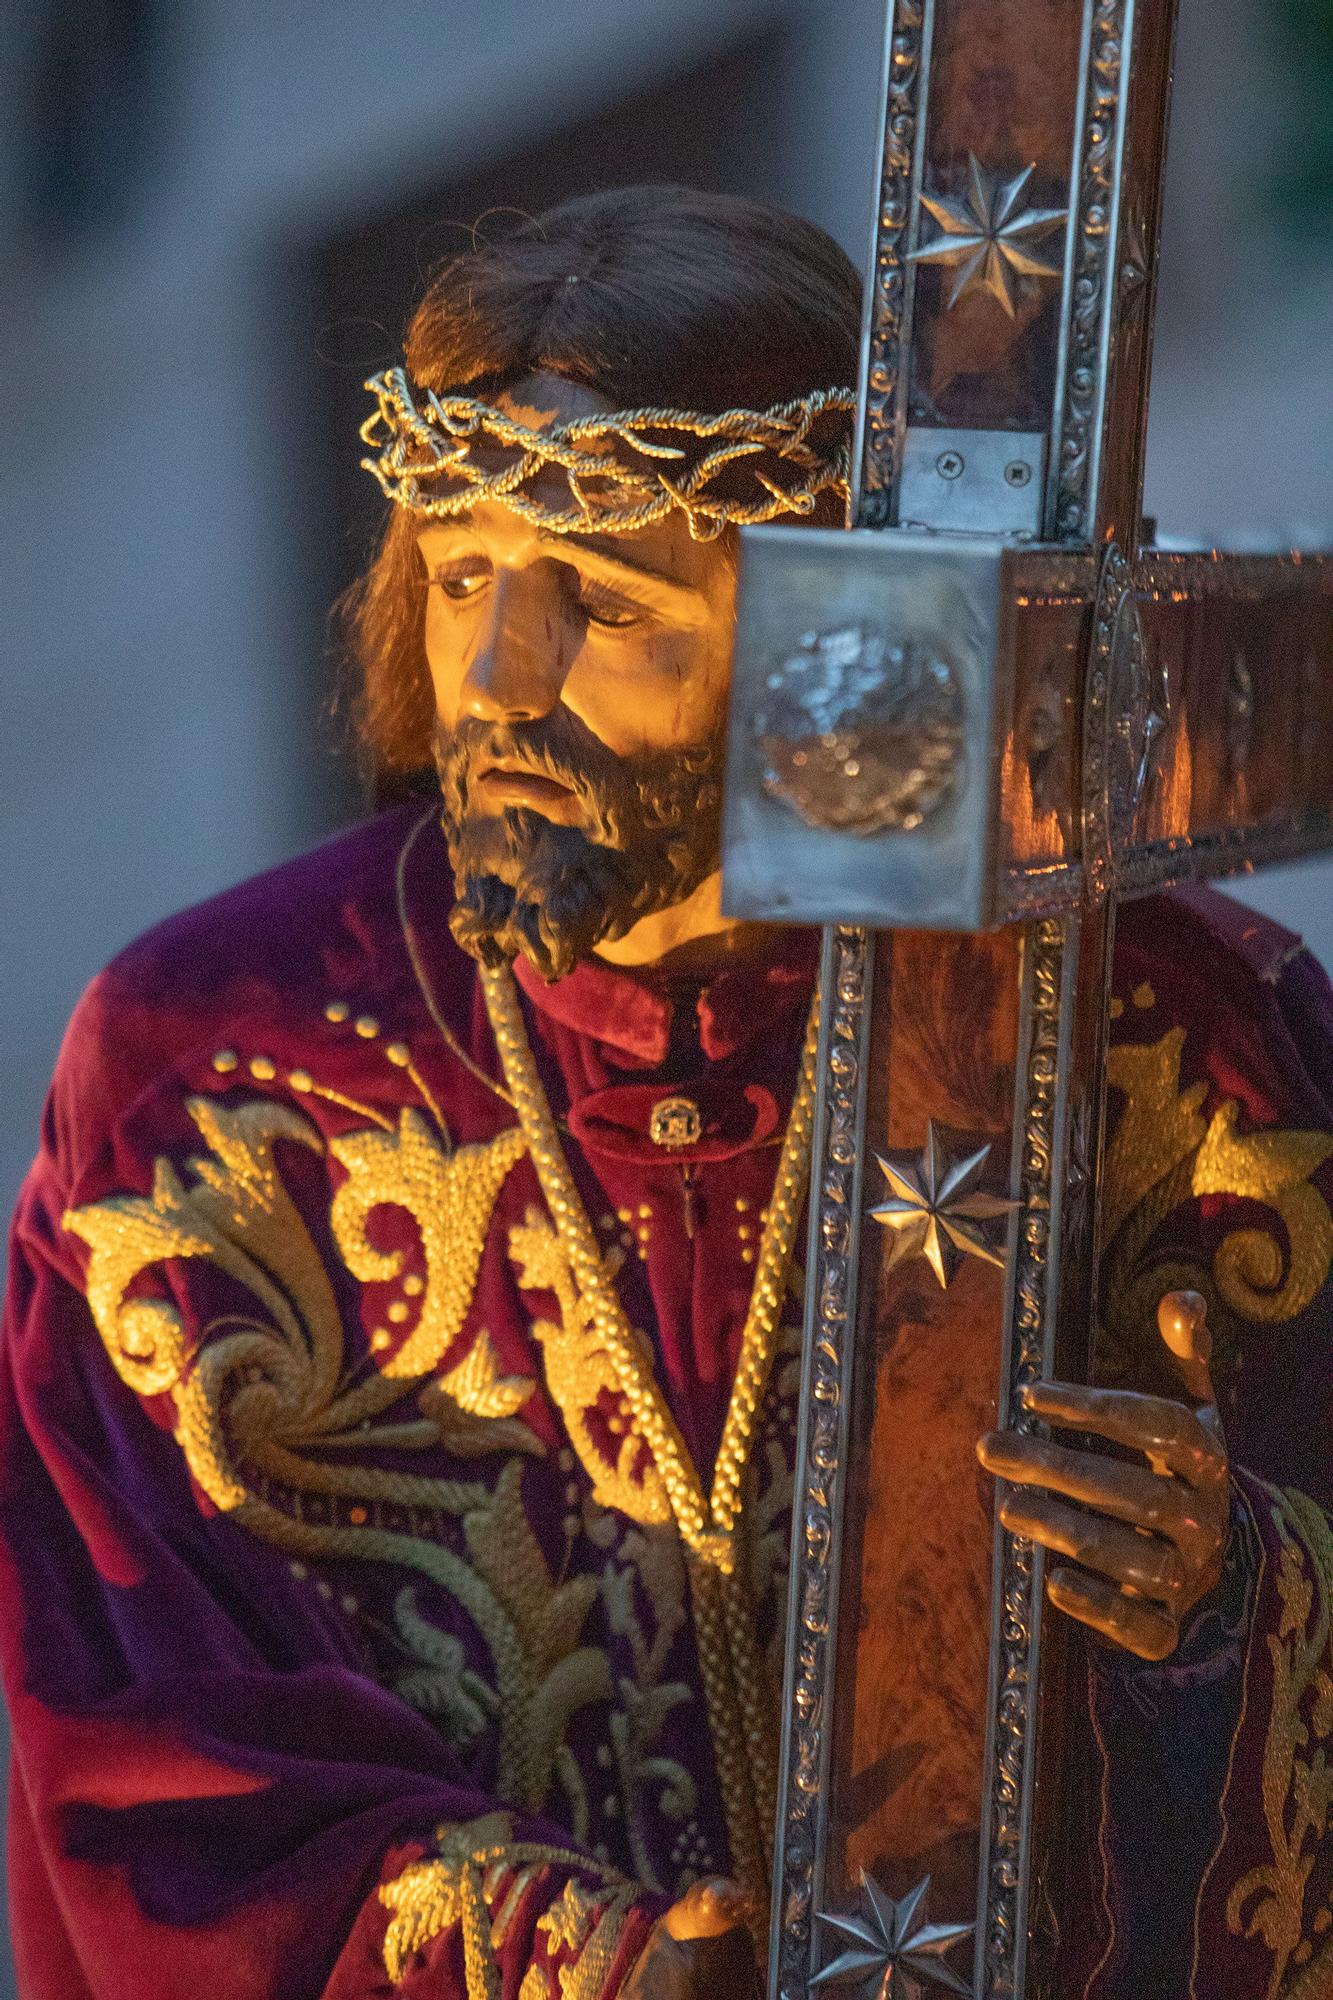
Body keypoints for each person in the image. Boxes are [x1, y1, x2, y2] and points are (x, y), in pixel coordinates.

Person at [3, 184, 1331, 2000]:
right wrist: (583, 1968)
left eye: (607, 600)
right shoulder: (203, 1078)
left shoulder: (1183, 1050)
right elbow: (145, 1734)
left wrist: (1221, 1595)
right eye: (462, 576)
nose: (504, 677)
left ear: (813, 641)